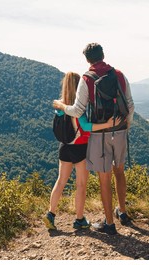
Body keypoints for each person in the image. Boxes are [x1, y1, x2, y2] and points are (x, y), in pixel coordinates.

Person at [53, 43, 134, 235]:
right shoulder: (120, 75)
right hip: (120, 129)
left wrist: (61, 106)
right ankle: (122, 212)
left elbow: (77, 110)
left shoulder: (87, 78)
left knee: (104, 178)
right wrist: (126, 124)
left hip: (100, 134)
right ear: (103, 55)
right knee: (119, 171)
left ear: (88, 60)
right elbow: (130, 105)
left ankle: (109, 224)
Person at [45, 72, 117, 231]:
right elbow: (85, 126)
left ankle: (50, 214)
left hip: (64, 147)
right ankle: (79, 220)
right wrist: (108, 124)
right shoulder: (78, 107)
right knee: (81, 185)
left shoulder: (60, 106)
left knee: (60, 182)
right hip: (80, 147)